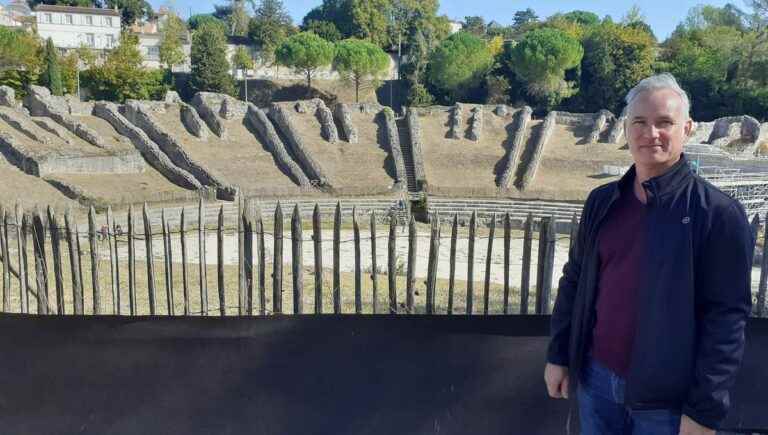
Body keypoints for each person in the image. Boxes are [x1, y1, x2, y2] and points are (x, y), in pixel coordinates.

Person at [544, 73, 754, 435]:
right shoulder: (602, 201)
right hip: (596, 383)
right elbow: (575, 279)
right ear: (626, 128)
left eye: (664, 123)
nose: (650, 133)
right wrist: (558, 355)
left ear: (687, 129)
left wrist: (703, 411)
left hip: (669, 403)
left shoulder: (718, 214)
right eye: (639, 122)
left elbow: (726, 320)